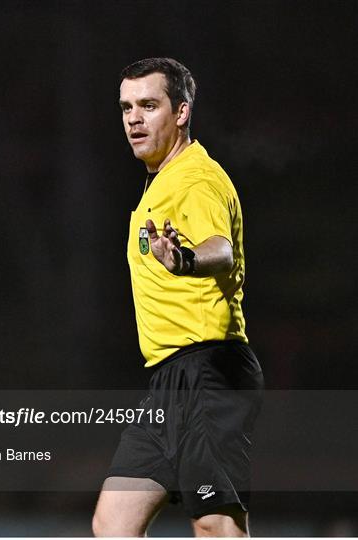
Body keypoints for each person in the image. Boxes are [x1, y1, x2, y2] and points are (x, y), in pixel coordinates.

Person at [92, 58, 264, 537]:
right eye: (126, 107)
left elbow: (221, 250)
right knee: (114, 522)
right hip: (169, 379)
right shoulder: (160, 183)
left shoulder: (195, 178)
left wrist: (186, 261)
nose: (134, 118)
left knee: (215, 525)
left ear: (182, 112)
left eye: (149, 105)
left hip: (209, 371)